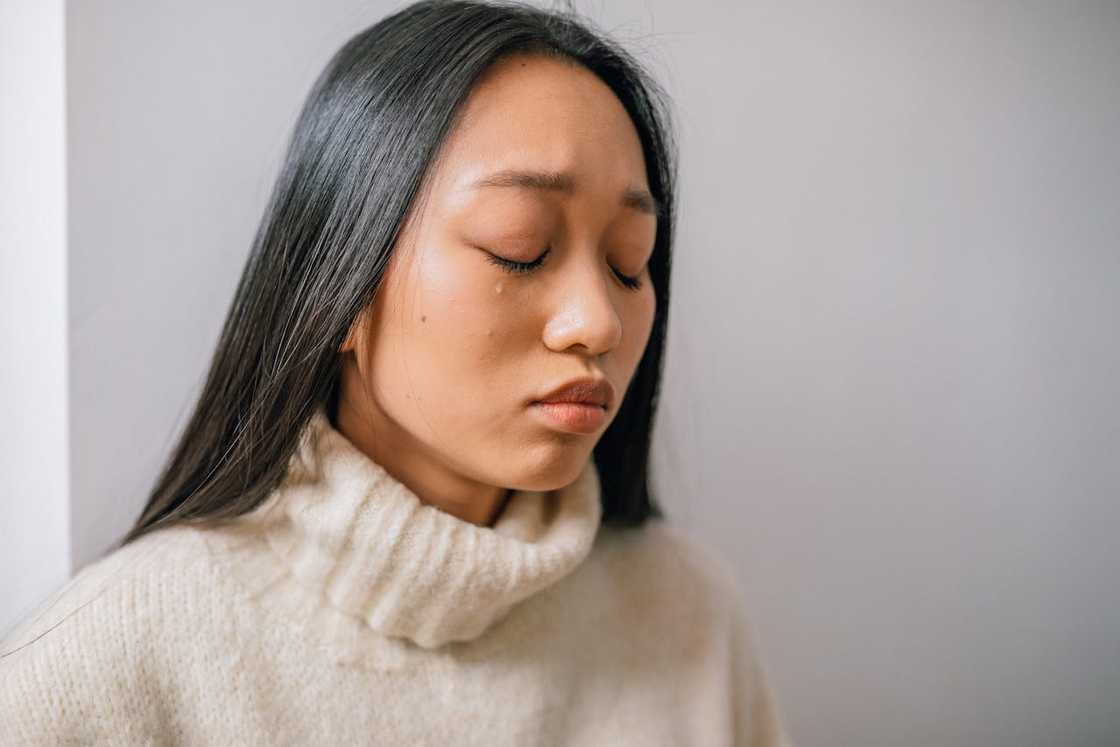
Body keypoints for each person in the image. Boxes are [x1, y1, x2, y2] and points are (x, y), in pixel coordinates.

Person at [0, 1, 792, 744]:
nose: (599, 321)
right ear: (340, 281)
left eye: (629, 263)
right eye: (520, 246)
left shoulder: (687, 613)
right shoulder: (125, 648)